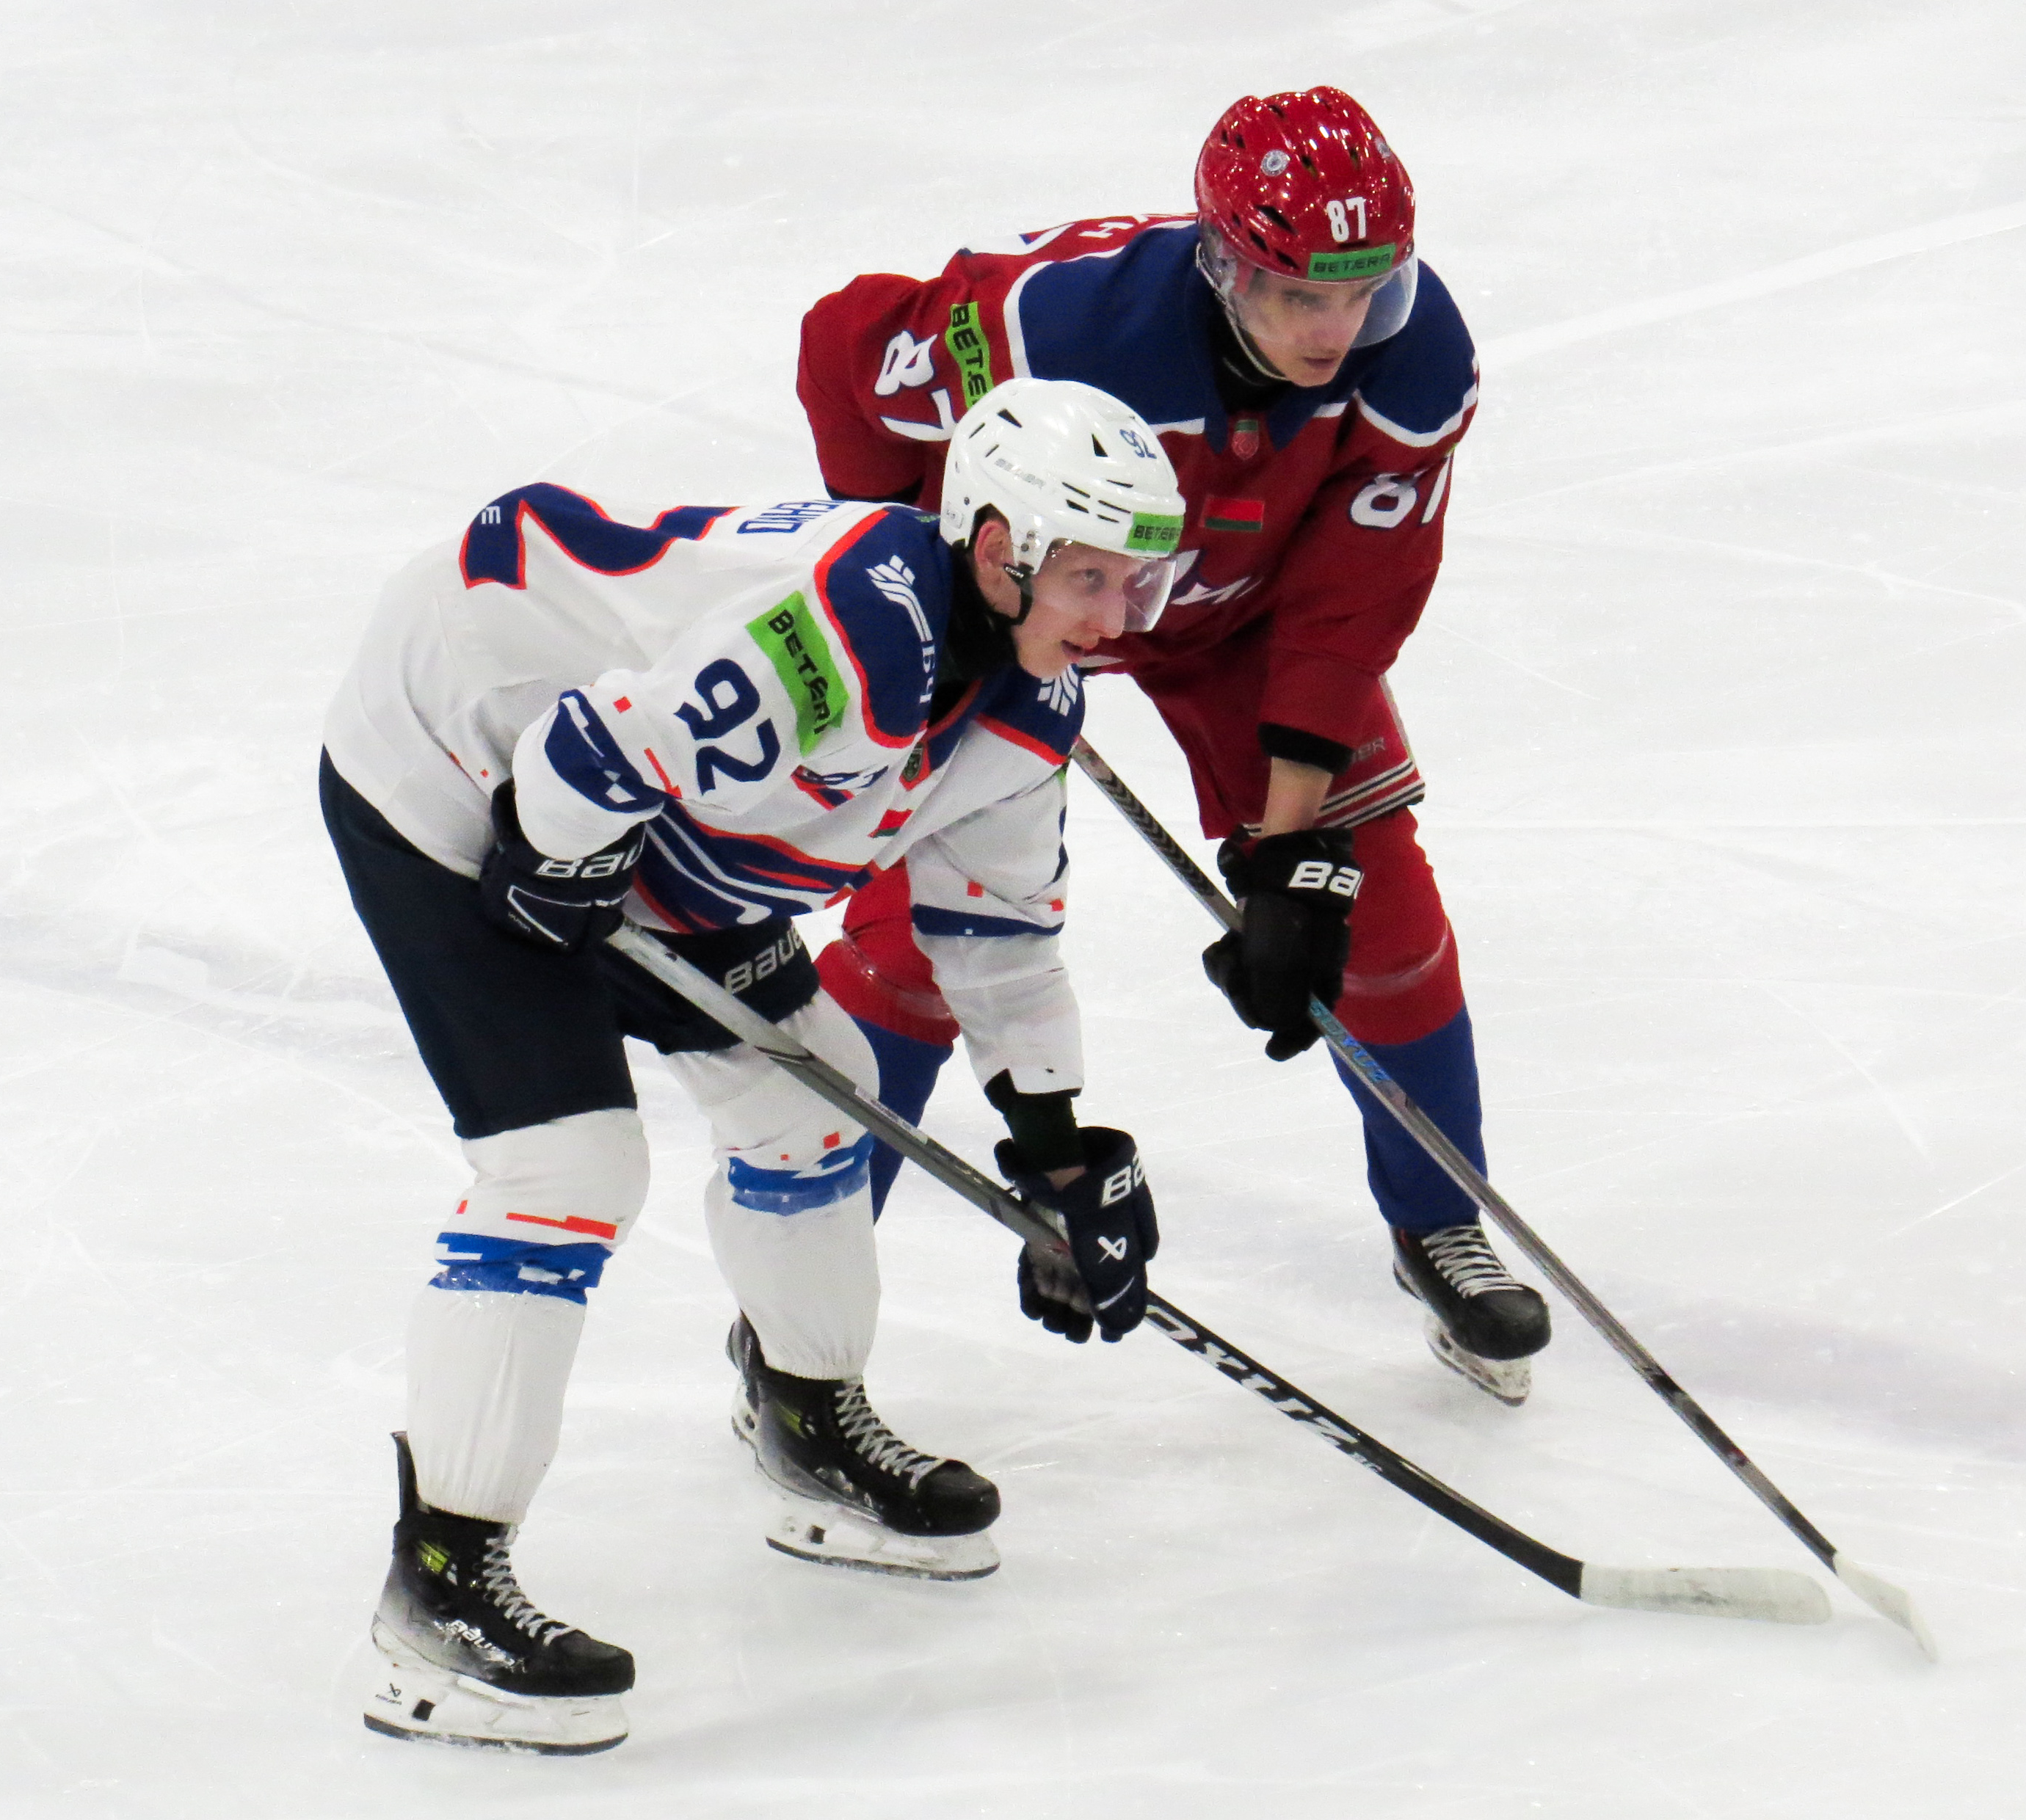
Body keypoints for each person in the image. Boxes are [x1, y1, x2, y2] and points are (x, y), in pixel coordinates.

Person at [320, 376, 1182, 1755]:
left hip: (642, 813)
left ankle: (806, 1421)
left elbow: (1000, 938)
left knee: (811, 1099)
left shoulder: (1026, 710)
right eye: (1089, 578)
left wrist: (1062, 1149)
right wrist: (559, 855)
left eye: (1139, 582)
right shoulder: (840, 640)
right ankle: (440, 1584)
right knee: (568, 1168)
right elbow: (589, 750)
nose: (1117, 618)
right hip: (456, 749)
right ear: (995, 548)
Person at [795, 87, 1552, 1407]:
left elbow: (1355, 592)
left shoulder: (1416, 353)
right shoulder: (1050, 325)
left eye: (1362, 293)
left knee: (1370, 900)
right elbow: (840, 349)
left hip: (1241, 613)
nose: (1334, 332)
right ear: (1221, 263)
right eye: (1298, 296)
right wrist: (927, 587)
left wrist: (1287, 843)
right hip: (1035, 599)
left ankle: (1439, 1218)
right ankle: (794, 1317)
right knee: (915, 939)